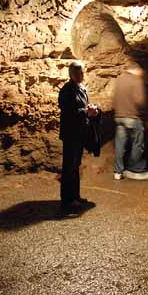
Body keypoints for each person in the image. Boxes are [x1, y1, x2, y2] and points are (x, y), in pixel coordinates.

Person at [58, 61, 99, 211]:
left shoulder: (81, 89)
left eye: (82, 72)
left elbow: (82, 107)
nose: (82, 75)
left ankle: (75, 196)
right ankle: (67, 200)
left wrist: (93, 109)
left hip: (79, 133)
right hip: (71, 134)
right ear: (72, 74)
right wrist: (86, 112)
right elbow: (68, 112)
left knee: (75, 166)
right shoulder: (67, 90)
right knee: (69, 167)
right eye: (79, 73)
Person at [112, 62, 148, 180]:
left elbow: (114, 98)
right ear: (136, 70)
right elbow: (139, 100)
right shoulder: (136, 80)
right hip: (132, 117)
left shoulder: (119, 79)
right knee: (138, 144)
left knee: (120, 145)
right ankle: (136, 170)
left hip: (119, 117)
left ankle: (118, 171)